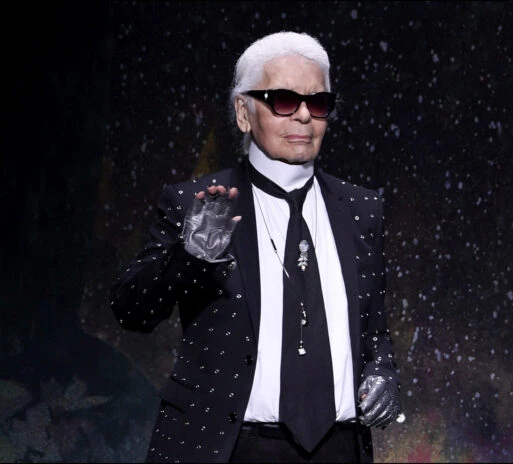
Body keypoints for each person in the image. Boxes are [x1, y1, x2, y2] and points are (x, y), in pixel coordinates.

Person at [110, 31, 403, 463]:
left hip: (340, 448)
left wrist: (383, 369)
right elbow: (132, 311)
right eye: (283, 100)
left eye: (318, 103)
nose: (303, 115)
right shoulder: (195, 202)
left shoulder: (361, 209)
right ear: (243, 112)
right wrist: (188, 258)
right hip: (226, 447)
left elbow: (374, 329)